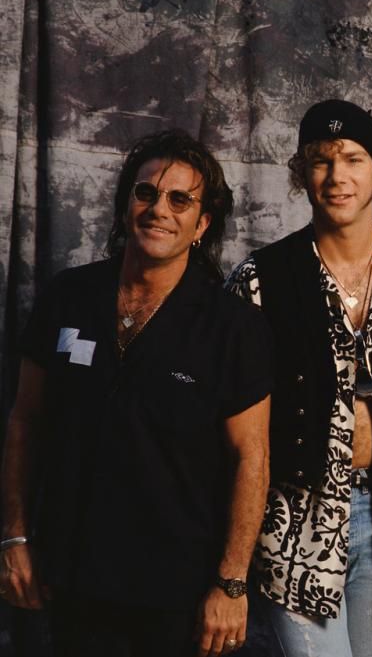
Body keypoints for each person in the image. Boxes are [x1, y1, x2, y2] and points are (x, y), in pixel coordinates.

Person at [0, 129, 273, 657]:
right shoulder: (69, 296)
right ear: (127, 205)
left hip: (178, 593)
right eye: (146, 192)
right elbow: (24, 421)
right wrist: (14, 537)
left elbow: (252, 458)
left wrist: (232, 584)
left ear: (203, 224)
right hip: (72, 578)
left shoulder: (233, 328)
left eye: (180, 199)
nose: (158, 209)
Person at [226, 99, 372, 657]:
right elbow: (227, 417)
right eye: (321, 161)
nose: (337, 176)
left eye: (352, 159)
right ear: (302, 174)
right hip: (292, 517)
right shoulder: (261, 279)